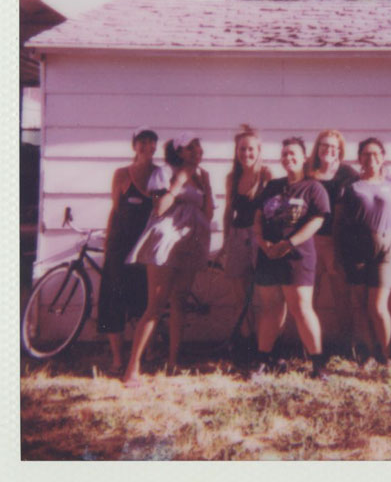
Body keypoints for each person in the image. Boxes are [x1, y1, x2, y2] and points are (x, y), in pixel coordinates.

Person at [122, 133, 215, 385]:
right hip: (165, 241)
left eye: (199, 145)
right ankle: (133, 368)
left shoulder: (203, 176)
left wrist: (204, 187)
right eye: (191, 147)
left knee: (180, 302)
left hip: (191, 241)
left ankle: (173, 362)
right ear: (179, 152)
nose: (198, 150)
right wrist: (179, 182)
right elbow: (158, 208)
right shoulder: (164, 173)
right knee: (156, 305)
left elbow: (207, 212)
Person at [253, 137, 331, 377]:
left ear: (304, 157)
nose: (288, 158)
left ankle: (318, 365)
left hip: (297, 256)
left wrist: (289, 243)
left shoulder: (313, 187)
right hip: (268, 255)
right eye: (284, 153)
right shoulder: (272, 186)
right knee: (271, 308)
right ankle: (264, 361)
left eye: (293, 153)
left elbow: (318, 219)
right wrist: (262, 242)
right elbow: (257, 218)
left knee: (301, 308)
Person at [97, 128, 165, 374]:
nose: (147, 147)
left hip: (146, 246)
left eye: (151, 143)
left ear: (156, 147)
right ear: (134, 146)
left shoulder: (159, 174)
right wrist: (108, 242)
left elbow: (163, 209)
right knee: (113, 300)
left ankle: (148, 351)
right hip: (120, 244)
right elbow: (115, 210)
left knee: (146, 300)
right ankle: (117, 358)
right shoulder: (122, 174)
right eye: (142, 142)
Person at [338, 137, 391, 364]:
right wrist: (338, 253)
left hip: (386, 248)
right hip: (356, 248)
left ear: (383, 157)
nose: (371, 158)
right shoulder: (350, 186)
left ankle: (385, 354)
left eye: (375, 154)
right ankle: (368, 353)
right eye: (366, 154)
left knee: (378, 306)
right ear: (359, 158)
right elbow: (339, 222)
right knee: (358, 304)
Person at [306, 129, 359, 356]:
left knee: (341, 296)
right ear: (317, 148)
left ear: (340, 150)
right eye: (324, 145)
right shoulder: (307, 172)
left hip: (337, 242)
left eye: (333, 147)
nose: (328, 150)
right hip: (310, 241)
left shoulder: (348, 174)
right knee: (309, 296)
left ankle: (347, 346)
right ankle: (309, 346)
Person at [221, 125, 271, 349]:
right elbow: (228, 211)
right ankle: (247, 341)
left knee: (264, 295)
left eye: (251, 149)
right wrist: (225, 242)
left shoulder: (267, 175)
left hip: (260, 237)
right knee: (241, 295)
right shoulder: (232, 177)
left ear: (259, 150)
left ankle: (266, 343)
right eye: (242, 149)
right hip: (237, 235)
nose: (246, 154)